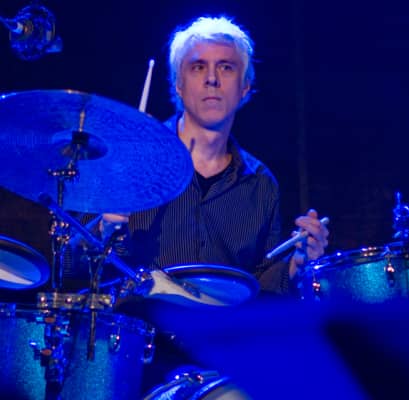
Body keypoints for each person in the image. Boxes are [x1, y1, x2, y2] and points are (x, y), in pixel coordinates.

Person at [98, 14, 329, 395]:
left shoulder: (261, 184)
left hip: (221, 359)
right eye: (198, 67)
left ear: (245, 86)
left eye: (226, 67)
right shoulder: (132, 163)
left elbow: (263, 287)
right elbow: (71, 264)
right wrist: (103, 229)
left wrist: (296, 265)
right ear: (178, 84)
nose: (211, 79)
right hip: (135, 358)